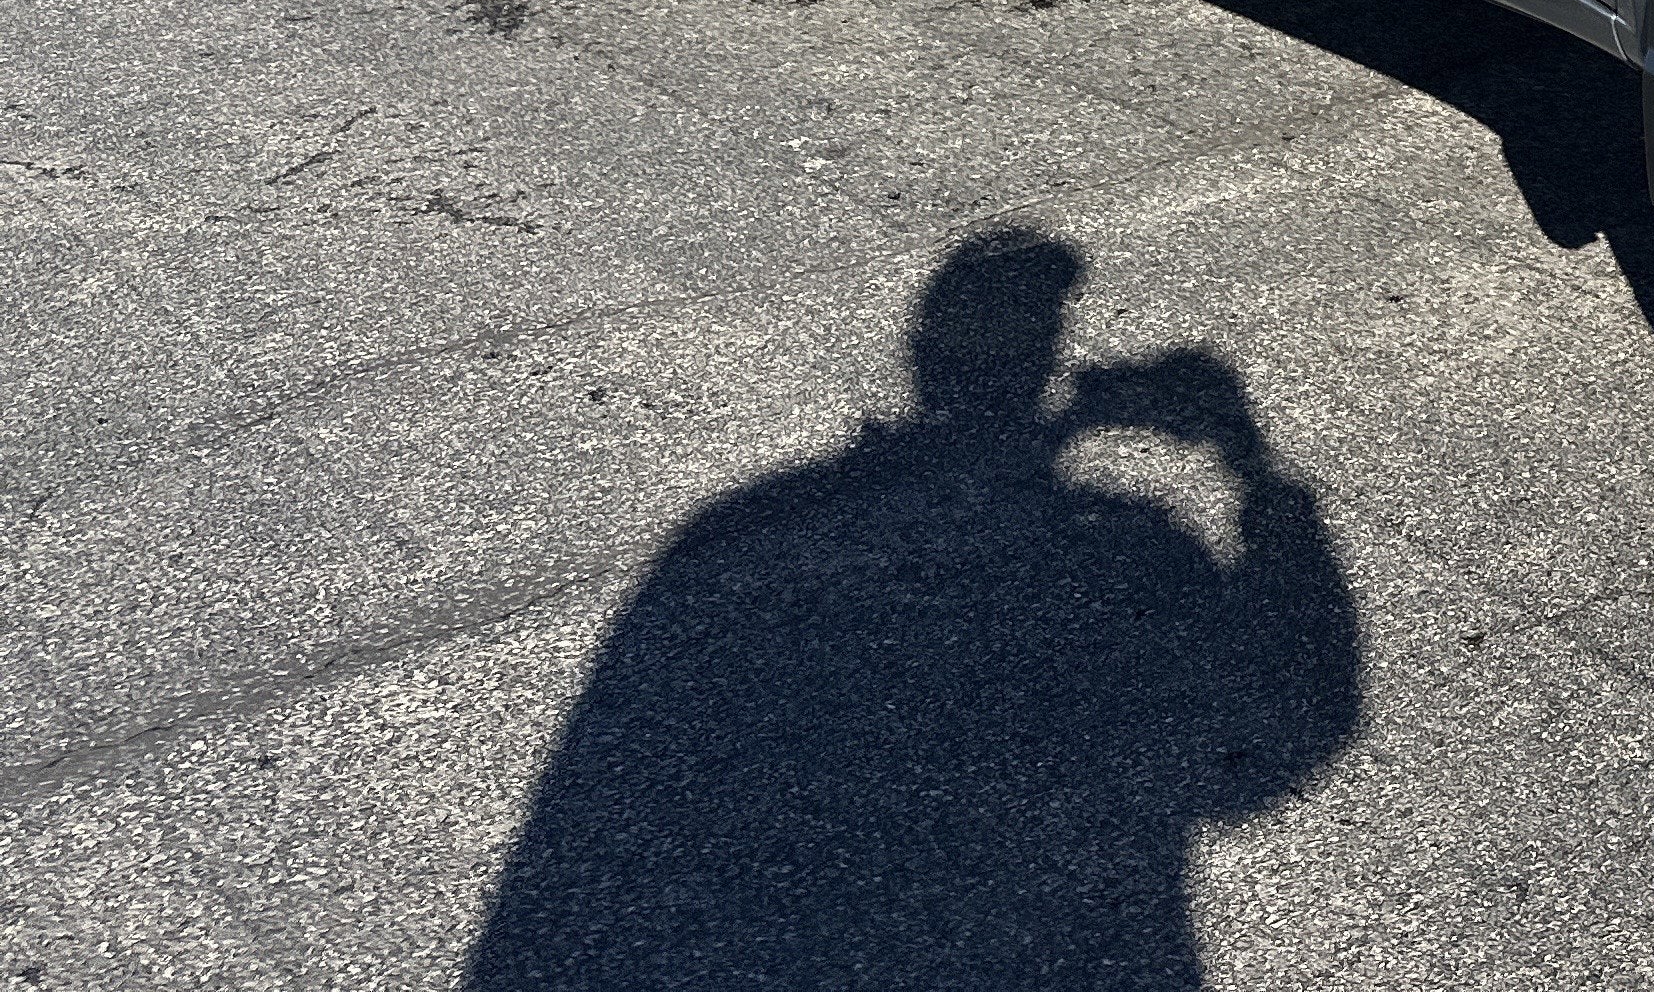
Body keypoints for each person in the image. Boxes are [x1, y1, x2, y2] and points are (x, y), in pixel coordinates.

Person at [467, 229, 1357, 990]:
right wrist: (1247, 460)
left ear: (922, 349)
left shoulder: (754, 522)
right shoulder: (1130, 540)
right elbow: (1289, 730)